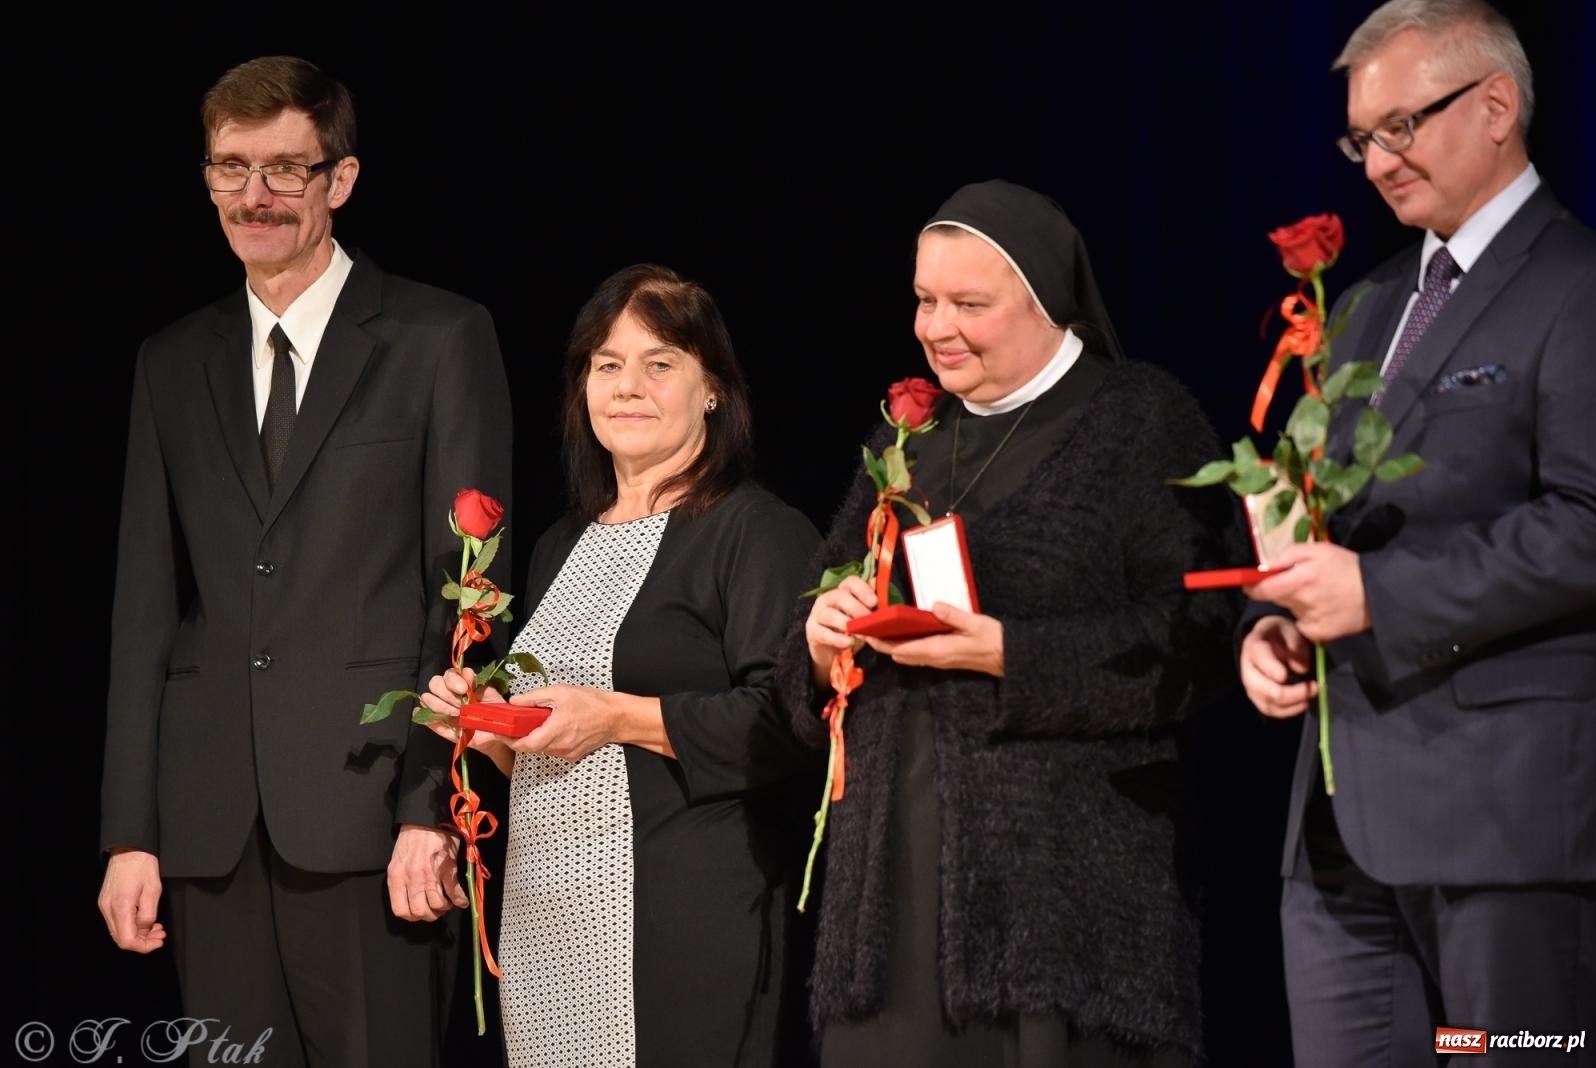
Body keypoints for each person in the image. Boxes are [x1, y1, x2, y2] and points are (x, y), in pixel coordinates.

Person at [95, 56, 512, 1067]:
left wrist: (434, 808)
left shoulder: (437, 337)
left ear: (342, 178)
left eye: (286, 169)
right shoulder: (172, 360)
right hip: (210, 826)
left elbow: (468, 595)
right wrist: (130, 832)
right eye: (231, 169)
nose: (255, 198)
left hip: (372, 819)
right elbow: (144, 608)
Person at [779, 179, 1240, 1066]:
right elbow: (797, 665)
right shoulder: (902, 443)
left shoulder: (1140, 421)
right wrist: (819, 636)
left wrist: (1011, 655)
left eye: (969, 304)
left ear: (1047, 303)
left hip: (1065, 914)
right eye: (923, 298)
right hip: (887, 914)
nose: (935, 325)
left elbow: (1203, 636)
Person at [1238, 3, 1596, 1064]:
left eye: (1400, 126)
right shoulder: (1361, 308)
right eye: (1361, 138)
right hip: (1339, 834)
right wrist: (1274, 623)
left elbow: (1588, 523)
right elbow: (1324, 520)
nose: (1376, 163)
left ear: (1495, 107)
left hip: (1505, 828)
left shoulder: (1579, 289)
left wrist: (1378, 599)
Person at [421, 263, 822, 1067]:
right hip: (546, 918)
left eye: (660, 363)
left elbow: (787, 721)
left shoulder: (756, 532)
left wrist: (619, 717)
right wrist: (485, 730)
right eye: (608, 364)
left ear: (712, 388)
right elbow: (556, 741)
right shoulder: (558, 544)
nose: (628, 385)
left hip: (685, 920)